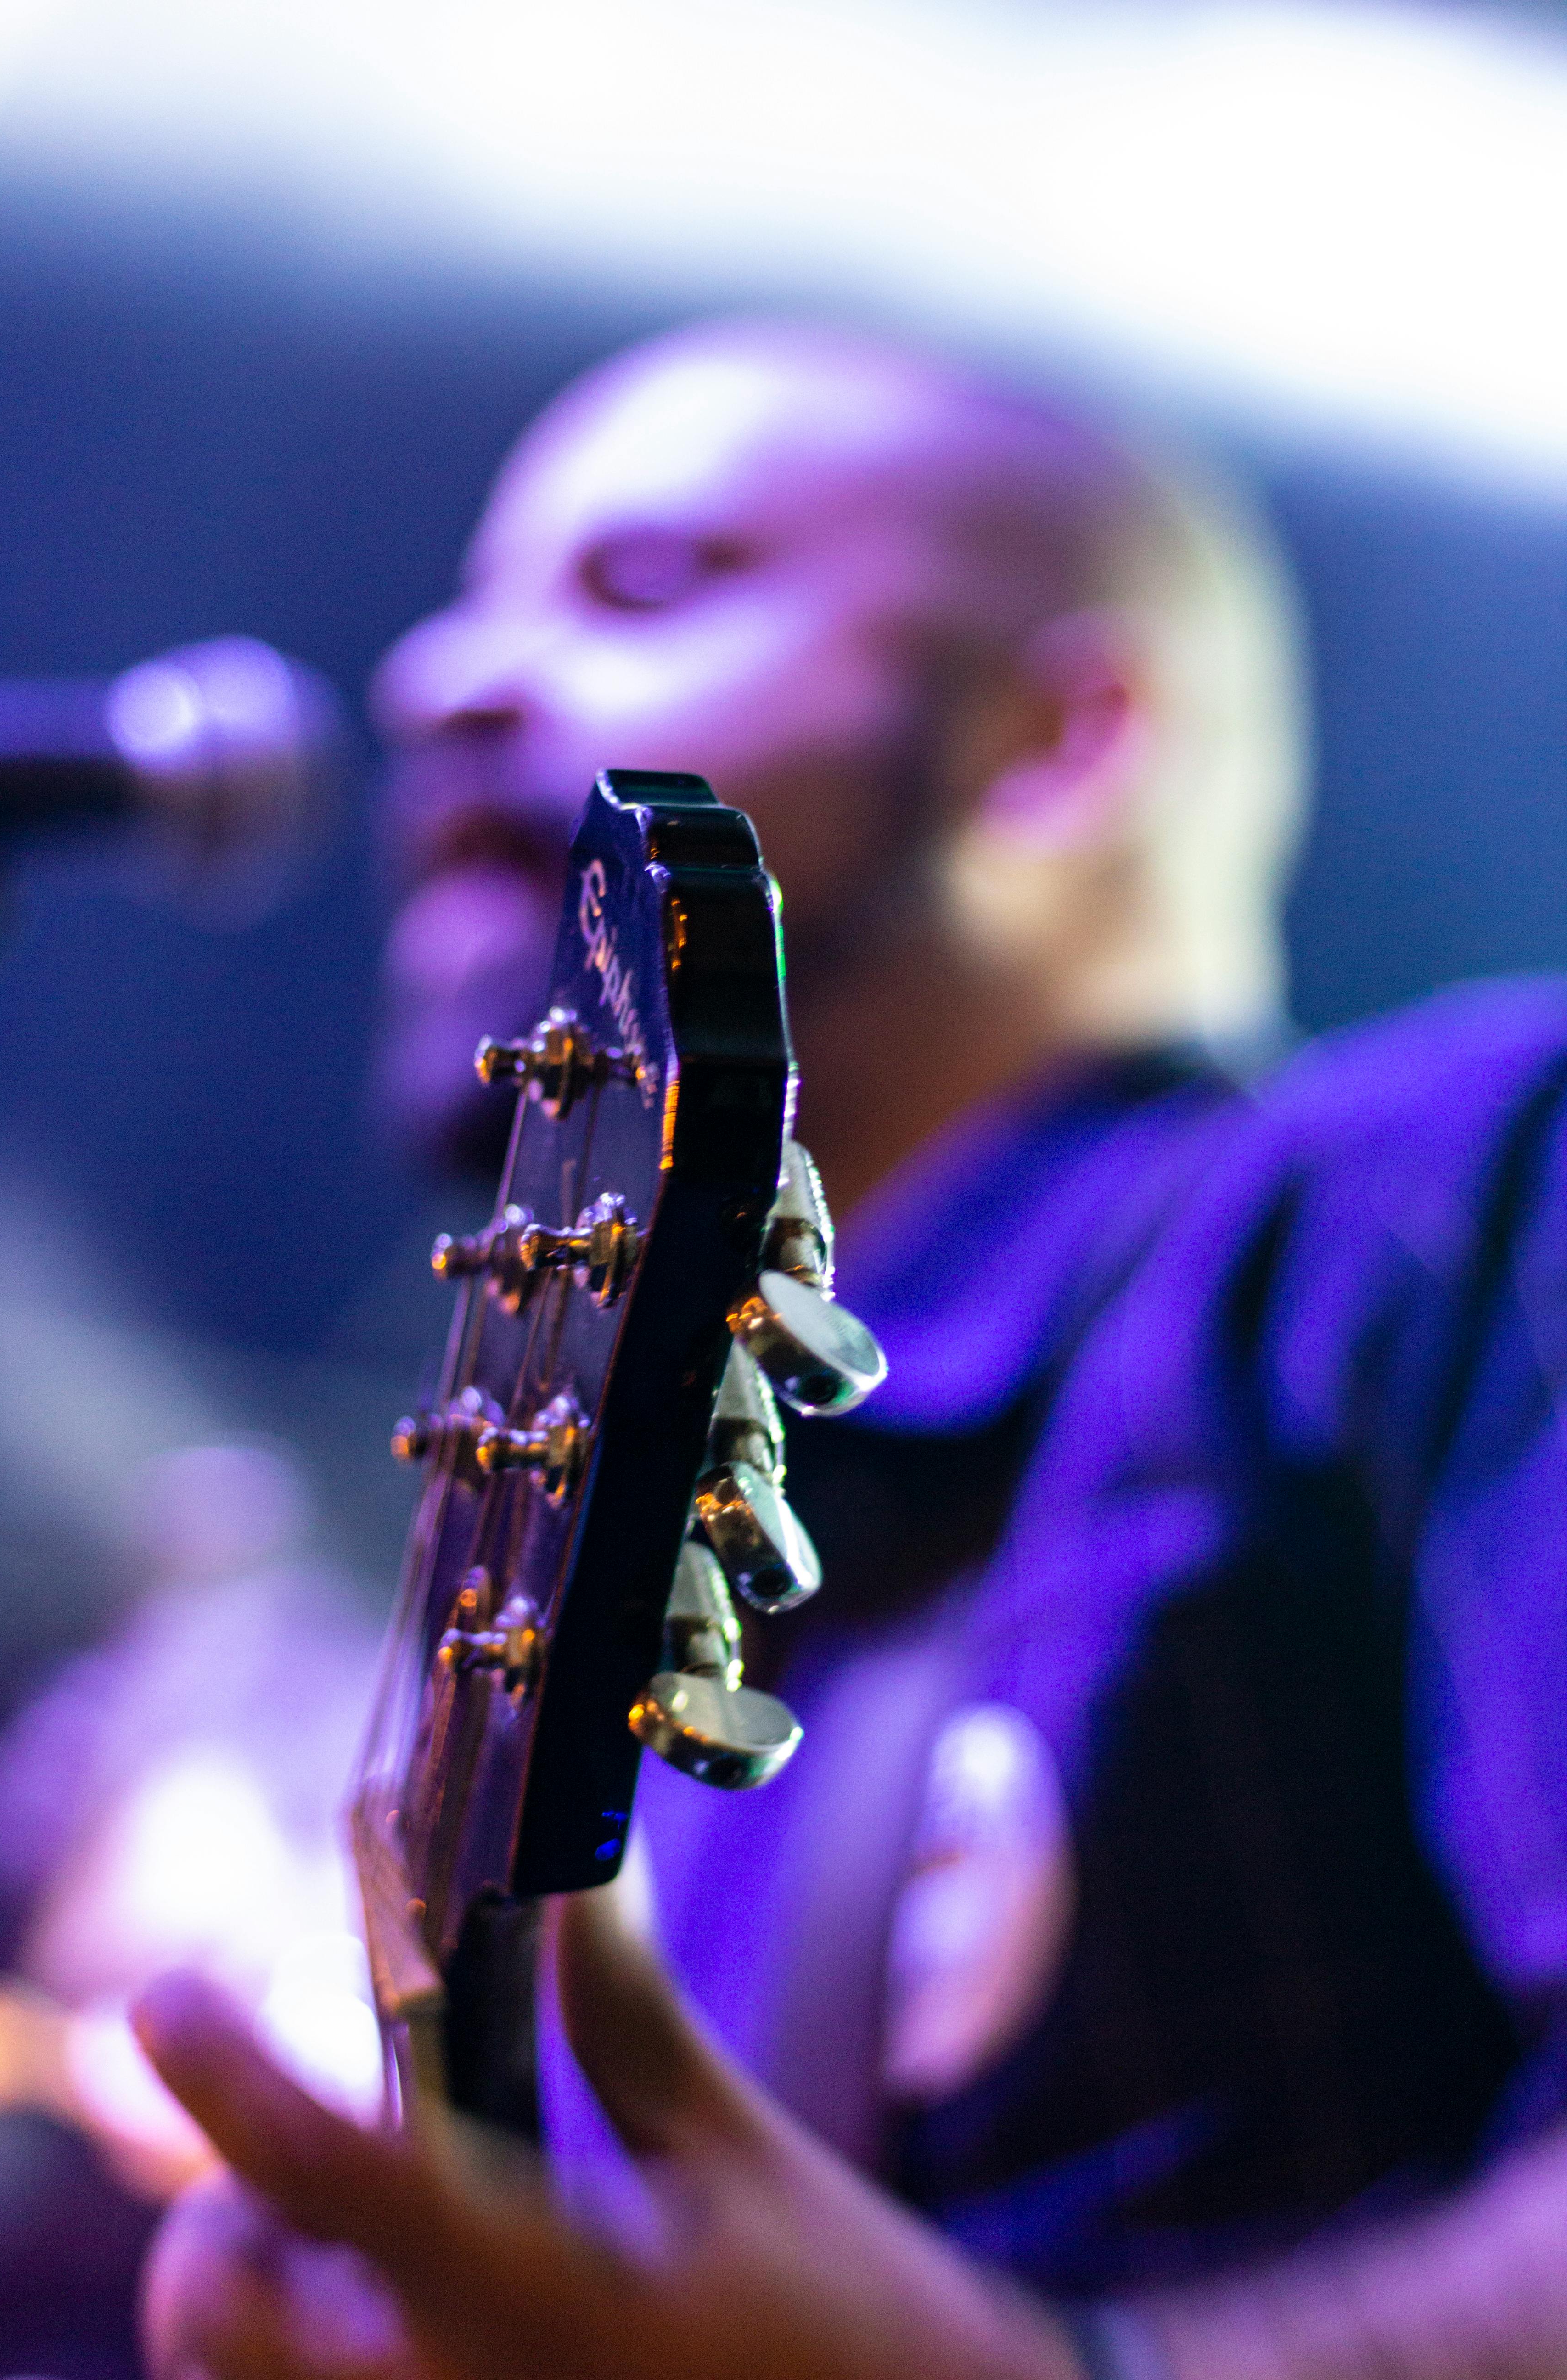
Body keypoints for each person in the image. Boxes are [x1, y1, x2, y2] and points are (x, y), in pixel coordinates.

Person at [137, 319, 1567, 2378]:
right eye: (462, 608)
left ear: (1062, 742)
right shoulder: (625, 1598)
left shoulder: (1422, 1199)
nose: (441, 679)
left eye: (645, 586)